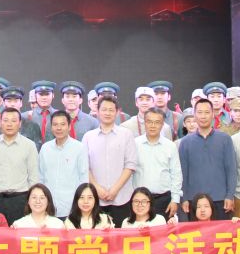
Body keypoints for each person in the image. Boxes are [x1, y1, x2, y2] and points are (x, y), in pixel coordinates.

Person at [82, 96, 139, 225]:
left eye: (111, 110)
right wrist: (97, 188)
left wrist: (115, 190)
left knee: (121, 234)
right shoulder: (88, 137)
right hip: (95, 198)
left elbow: (130, 165)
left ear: (117, 112)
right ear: (97, 111)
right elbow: (84, 166)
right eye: (104, 109)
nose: (107, 113)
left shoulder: (126, 134)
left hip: (122, 197)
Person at [178, 99, 237, 220]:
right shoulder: (185, 142)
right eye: (200, 112)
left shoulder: (225, 139)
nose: (203, 116)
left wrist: (230, 195)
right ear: (194, 115)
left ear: (213, 114)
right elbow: (182, 172)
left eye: (207, 112)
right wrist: (184, 198)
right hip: (194, 201)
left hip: (220, 199)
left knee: (221, 232)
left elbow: (231, 169)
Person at [0, 107, 39, 225]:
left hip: (21, 199)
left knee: (19, 234)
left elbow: (34, 177)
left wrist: (31, 201)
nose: (9, 124)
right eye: (6, 120)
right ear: (0, 123)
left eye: (13, 121)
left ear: (20, 124)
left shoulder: (29, 145)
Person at [37, 110, 89, 217]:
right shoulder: (45, 148)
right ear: (51, 127)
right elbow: (40, 177)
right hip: (48, 207)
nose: (59, 128)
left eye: (62, 124)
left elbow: (84, 178)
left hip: (71, 207)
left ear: (69, 127)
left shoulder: (79, 148)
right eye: (55, 125)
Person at [133, 109, 182, 220]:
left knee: (163, 230)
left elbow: (176, 174)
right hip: (139, 201)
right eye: (149, 122)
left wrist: (175, 200)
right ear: (144, 122)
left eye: (157, 122)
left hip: (163, 199)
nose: (153, 125)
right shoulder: (135, 144)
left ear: (163, 124)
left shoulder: (170, 146)